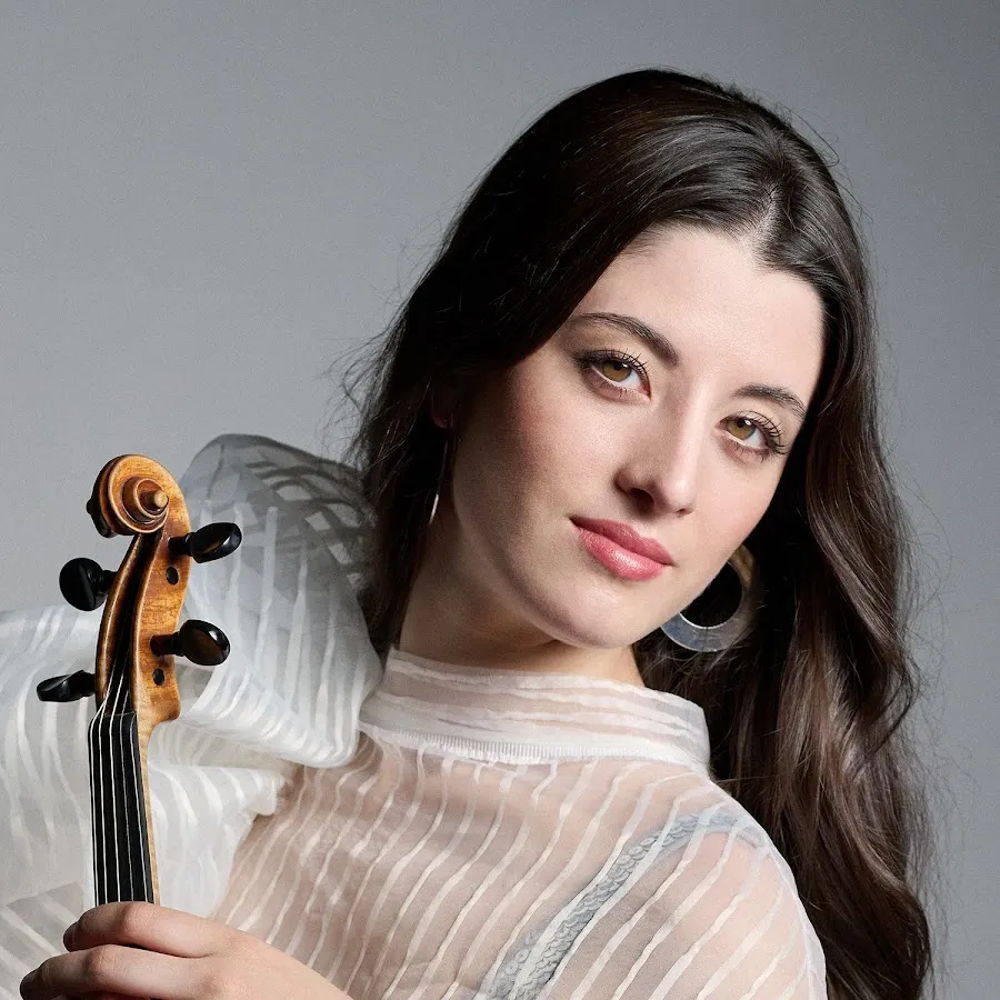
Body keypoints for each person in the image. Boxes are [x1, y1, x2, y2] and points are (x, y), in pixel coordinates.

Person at [3, 68, 935, 1000]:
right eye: (618, 368)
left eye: (749, 430)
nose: (672, 480)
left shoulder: (705, 910)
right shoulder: (233, 713)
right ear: (458, 366)